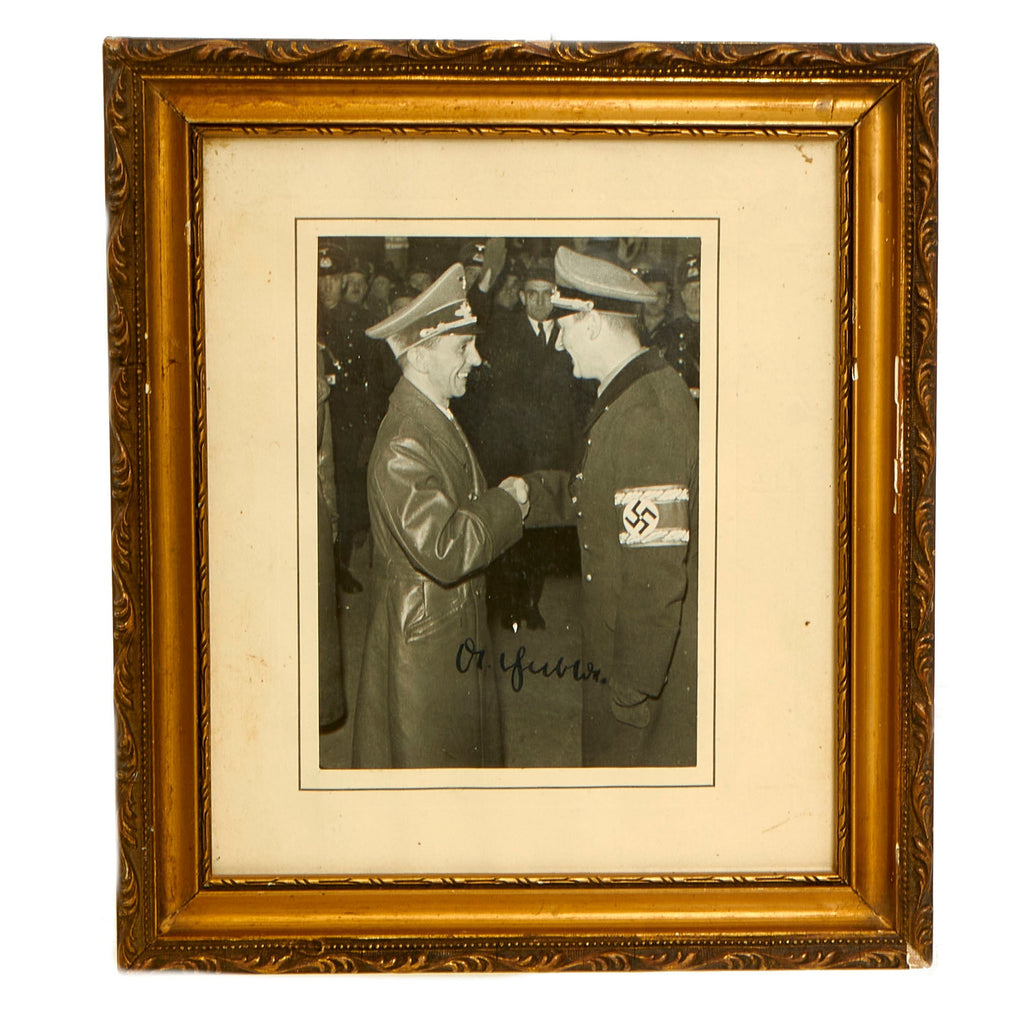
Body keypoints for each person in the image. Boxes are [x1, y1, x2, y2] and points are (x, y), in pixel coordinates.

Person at [524, 246, 700, 767]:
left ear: (594, 322)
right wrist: (530, 493)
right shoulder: (628, 392)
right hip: (617, 652)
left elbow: (655, 573)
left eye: (565, 327)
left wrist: (630, 689)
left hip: (638, 682)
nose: (559, 342)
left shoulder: (647, 413)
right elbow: (601, 493)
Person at [352, 263, 531, 769]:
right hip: (425, 643)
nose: (476, 358)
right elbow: (445, 548)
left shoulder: (434, 415)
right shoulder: (403, 440)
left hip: (447, 626)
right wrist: (506, 504)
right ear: (420, 355)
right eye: (462, 347)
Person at [472, 258, 592, 631]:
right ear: (522, 296)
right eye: (533, 294)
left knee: (543, 534)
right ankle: (510, 605)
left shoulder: (569, 334)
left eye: (547, 294)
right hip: (514, 452)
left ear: (556, 296)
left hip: (551, 452)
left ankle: (532, 603)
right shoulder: (505, 332)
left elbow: (579, 397)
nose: (540, 302)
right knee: (513, 532)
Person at [654, 255, 701, 399]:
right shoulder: (668, 333)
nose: (695, 294)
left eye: (699, 287)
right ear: (683, 295)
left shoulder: (720, 333)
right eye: (689, 288)